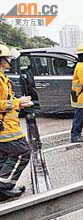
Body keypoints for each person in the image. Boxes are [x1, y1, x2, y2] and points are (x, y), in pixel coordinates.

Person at [0, 44, 34, 201]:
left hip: (7, 125)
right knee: (22, 152)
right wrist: (17, 103)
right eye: (8, 58)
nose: (10, 61)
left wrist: (19, 103)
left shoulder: (2, 77)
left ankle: (4, 188)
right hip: (5, 128)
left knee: (4, 157)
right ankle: (3, 187)